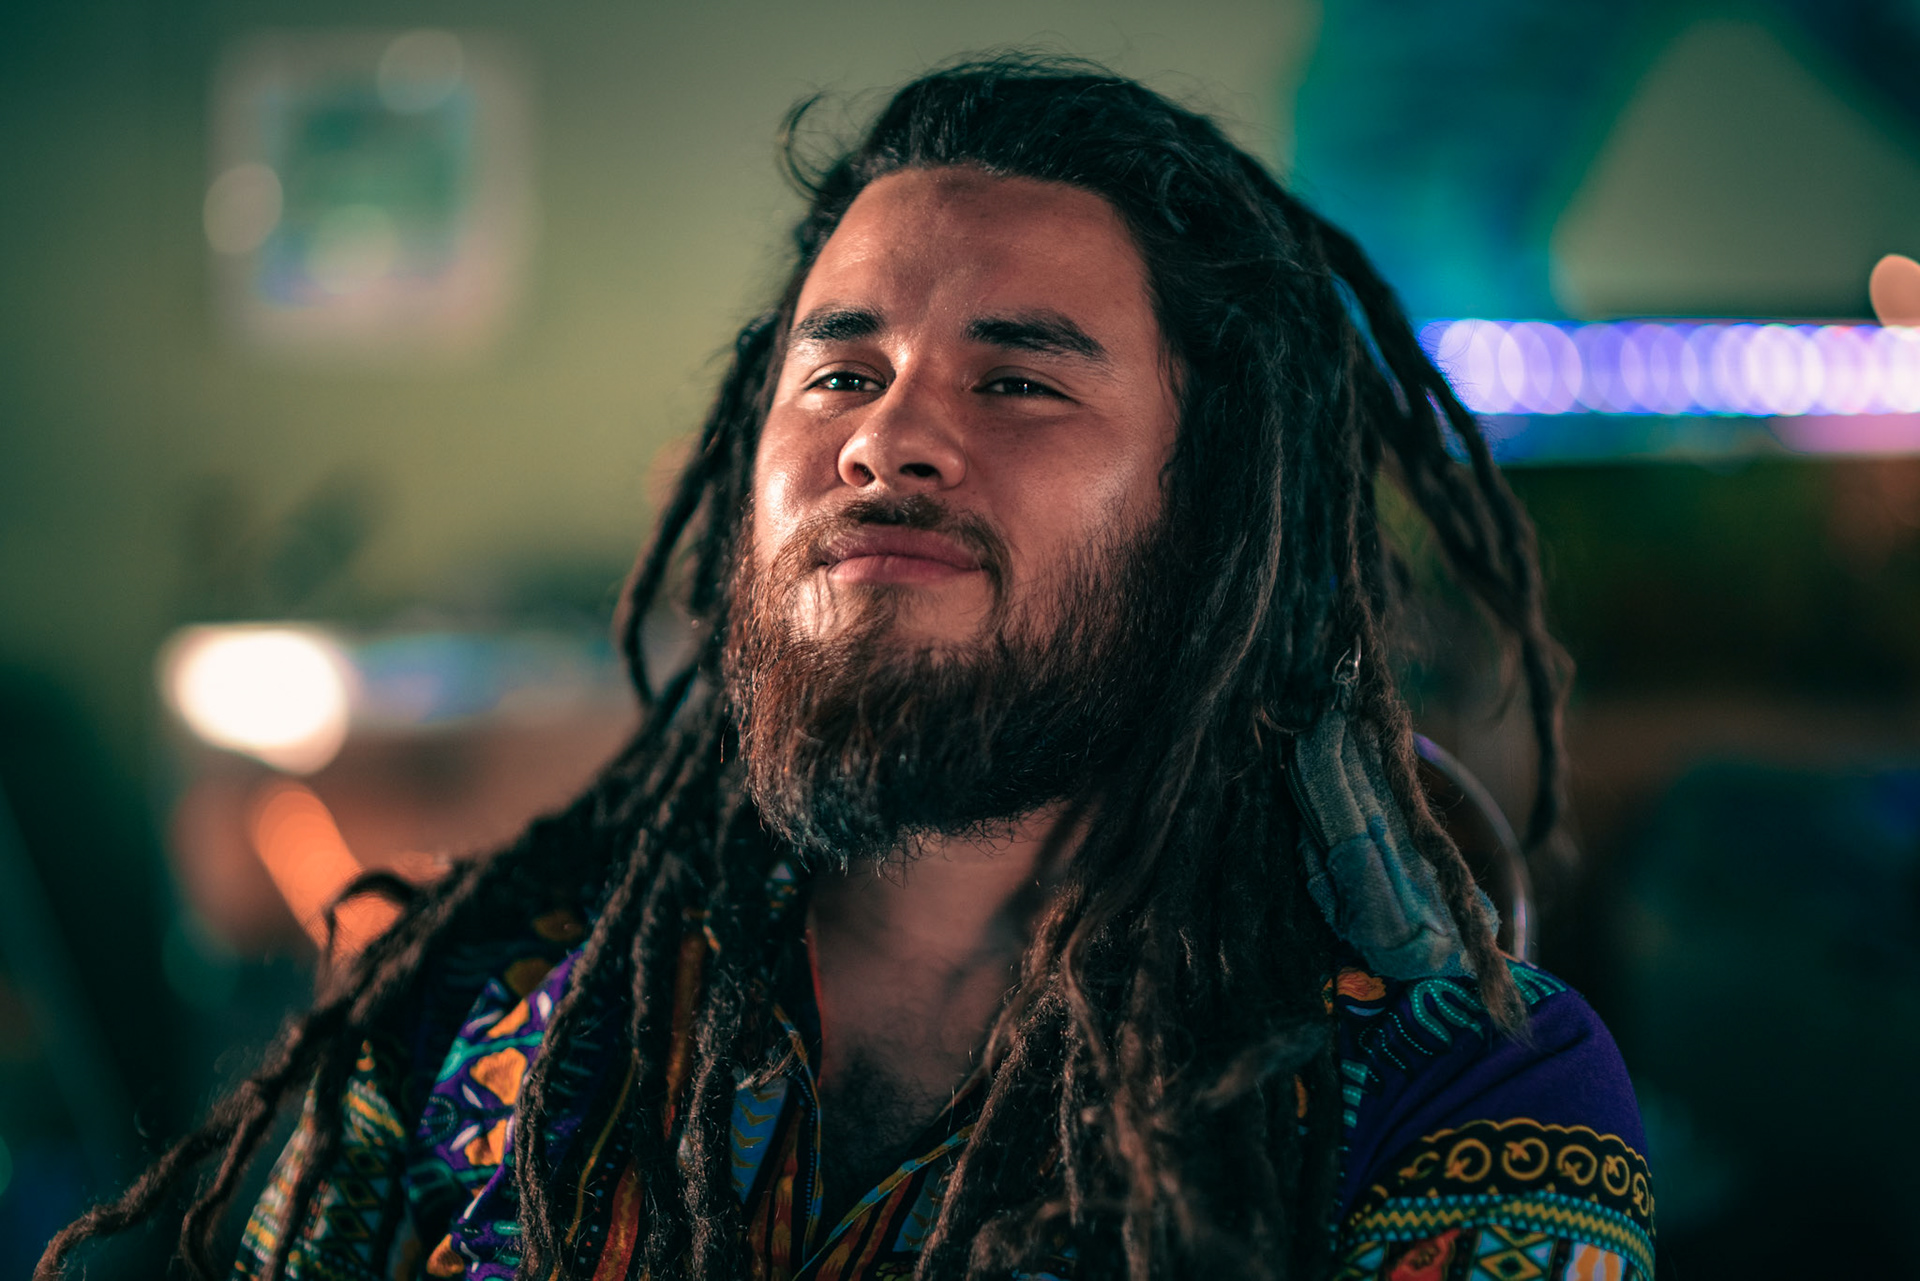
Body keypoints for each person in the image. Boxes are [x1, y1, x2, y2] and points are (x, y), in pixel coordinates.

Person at [40, 58, 1653, 1281]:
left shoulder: (1459, 1098)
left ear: (1215, 522)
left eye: (1018, 380)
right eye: (841, 372)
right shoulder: (472, 1012)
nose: (887, 437)